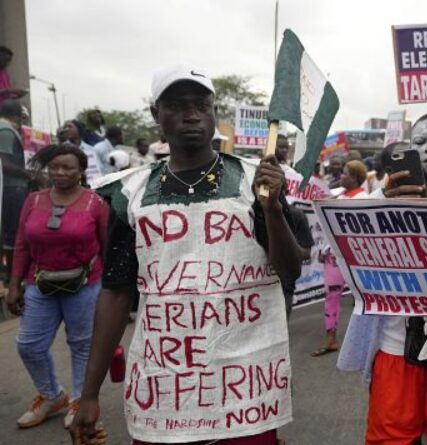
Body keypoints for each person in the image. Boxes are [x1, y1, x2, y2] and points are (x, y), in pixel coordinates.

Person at [70, 64, 304, 445]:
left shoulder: (254, 181)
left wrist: (274, 210)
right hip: (165, 394)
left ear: (214, 113)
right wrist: (90, 392)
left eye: (202, 105)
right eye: (177, 106)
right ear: (156, 115)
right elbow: (115, 292)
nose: (192, 114)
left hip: (245, 393)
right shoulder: (130, 194)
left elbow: (289, 271)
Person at [338, 113, 427, 445]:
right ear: (409, 149)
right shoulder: (375, 204)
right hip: (392, 352)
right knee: (390, 439)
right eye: (419, 143)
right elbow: (351, 271)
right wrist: (379, 208)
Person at [6, 143, 108, 429]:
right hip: (40, 284)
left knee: (82, 345)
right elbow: (22, 244)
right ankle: (52, 396)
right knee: (28, 345)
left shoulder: (95, 203)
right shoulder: (34, 201)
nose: (60, 173)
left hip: (86, 285)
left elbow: (107, 247)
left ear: (81, 171)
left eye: (68, 168)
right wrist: (14, 283)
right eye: (54, 167)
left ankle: (78, 399)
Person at [312, 160, 368, 357]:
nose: (341, 176)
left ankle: (364, 340)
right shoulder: (339, 195)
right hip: (334, 255)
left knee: (363, 298)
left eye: (345, 173)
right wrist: (324, 248)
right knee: (331, 295)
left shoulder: (364, 199)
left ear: (355, 178)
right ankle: (331, 337)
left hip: (353, 257)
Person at [1, 100, 30, 280]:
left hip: (11, 187)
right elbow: (3, 164)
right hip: (13, 188)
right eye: (23, 118)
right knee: (14, 231)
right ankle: (11, 275)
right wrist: (30, 175)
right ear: (16, 115)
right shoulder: (6, 131)